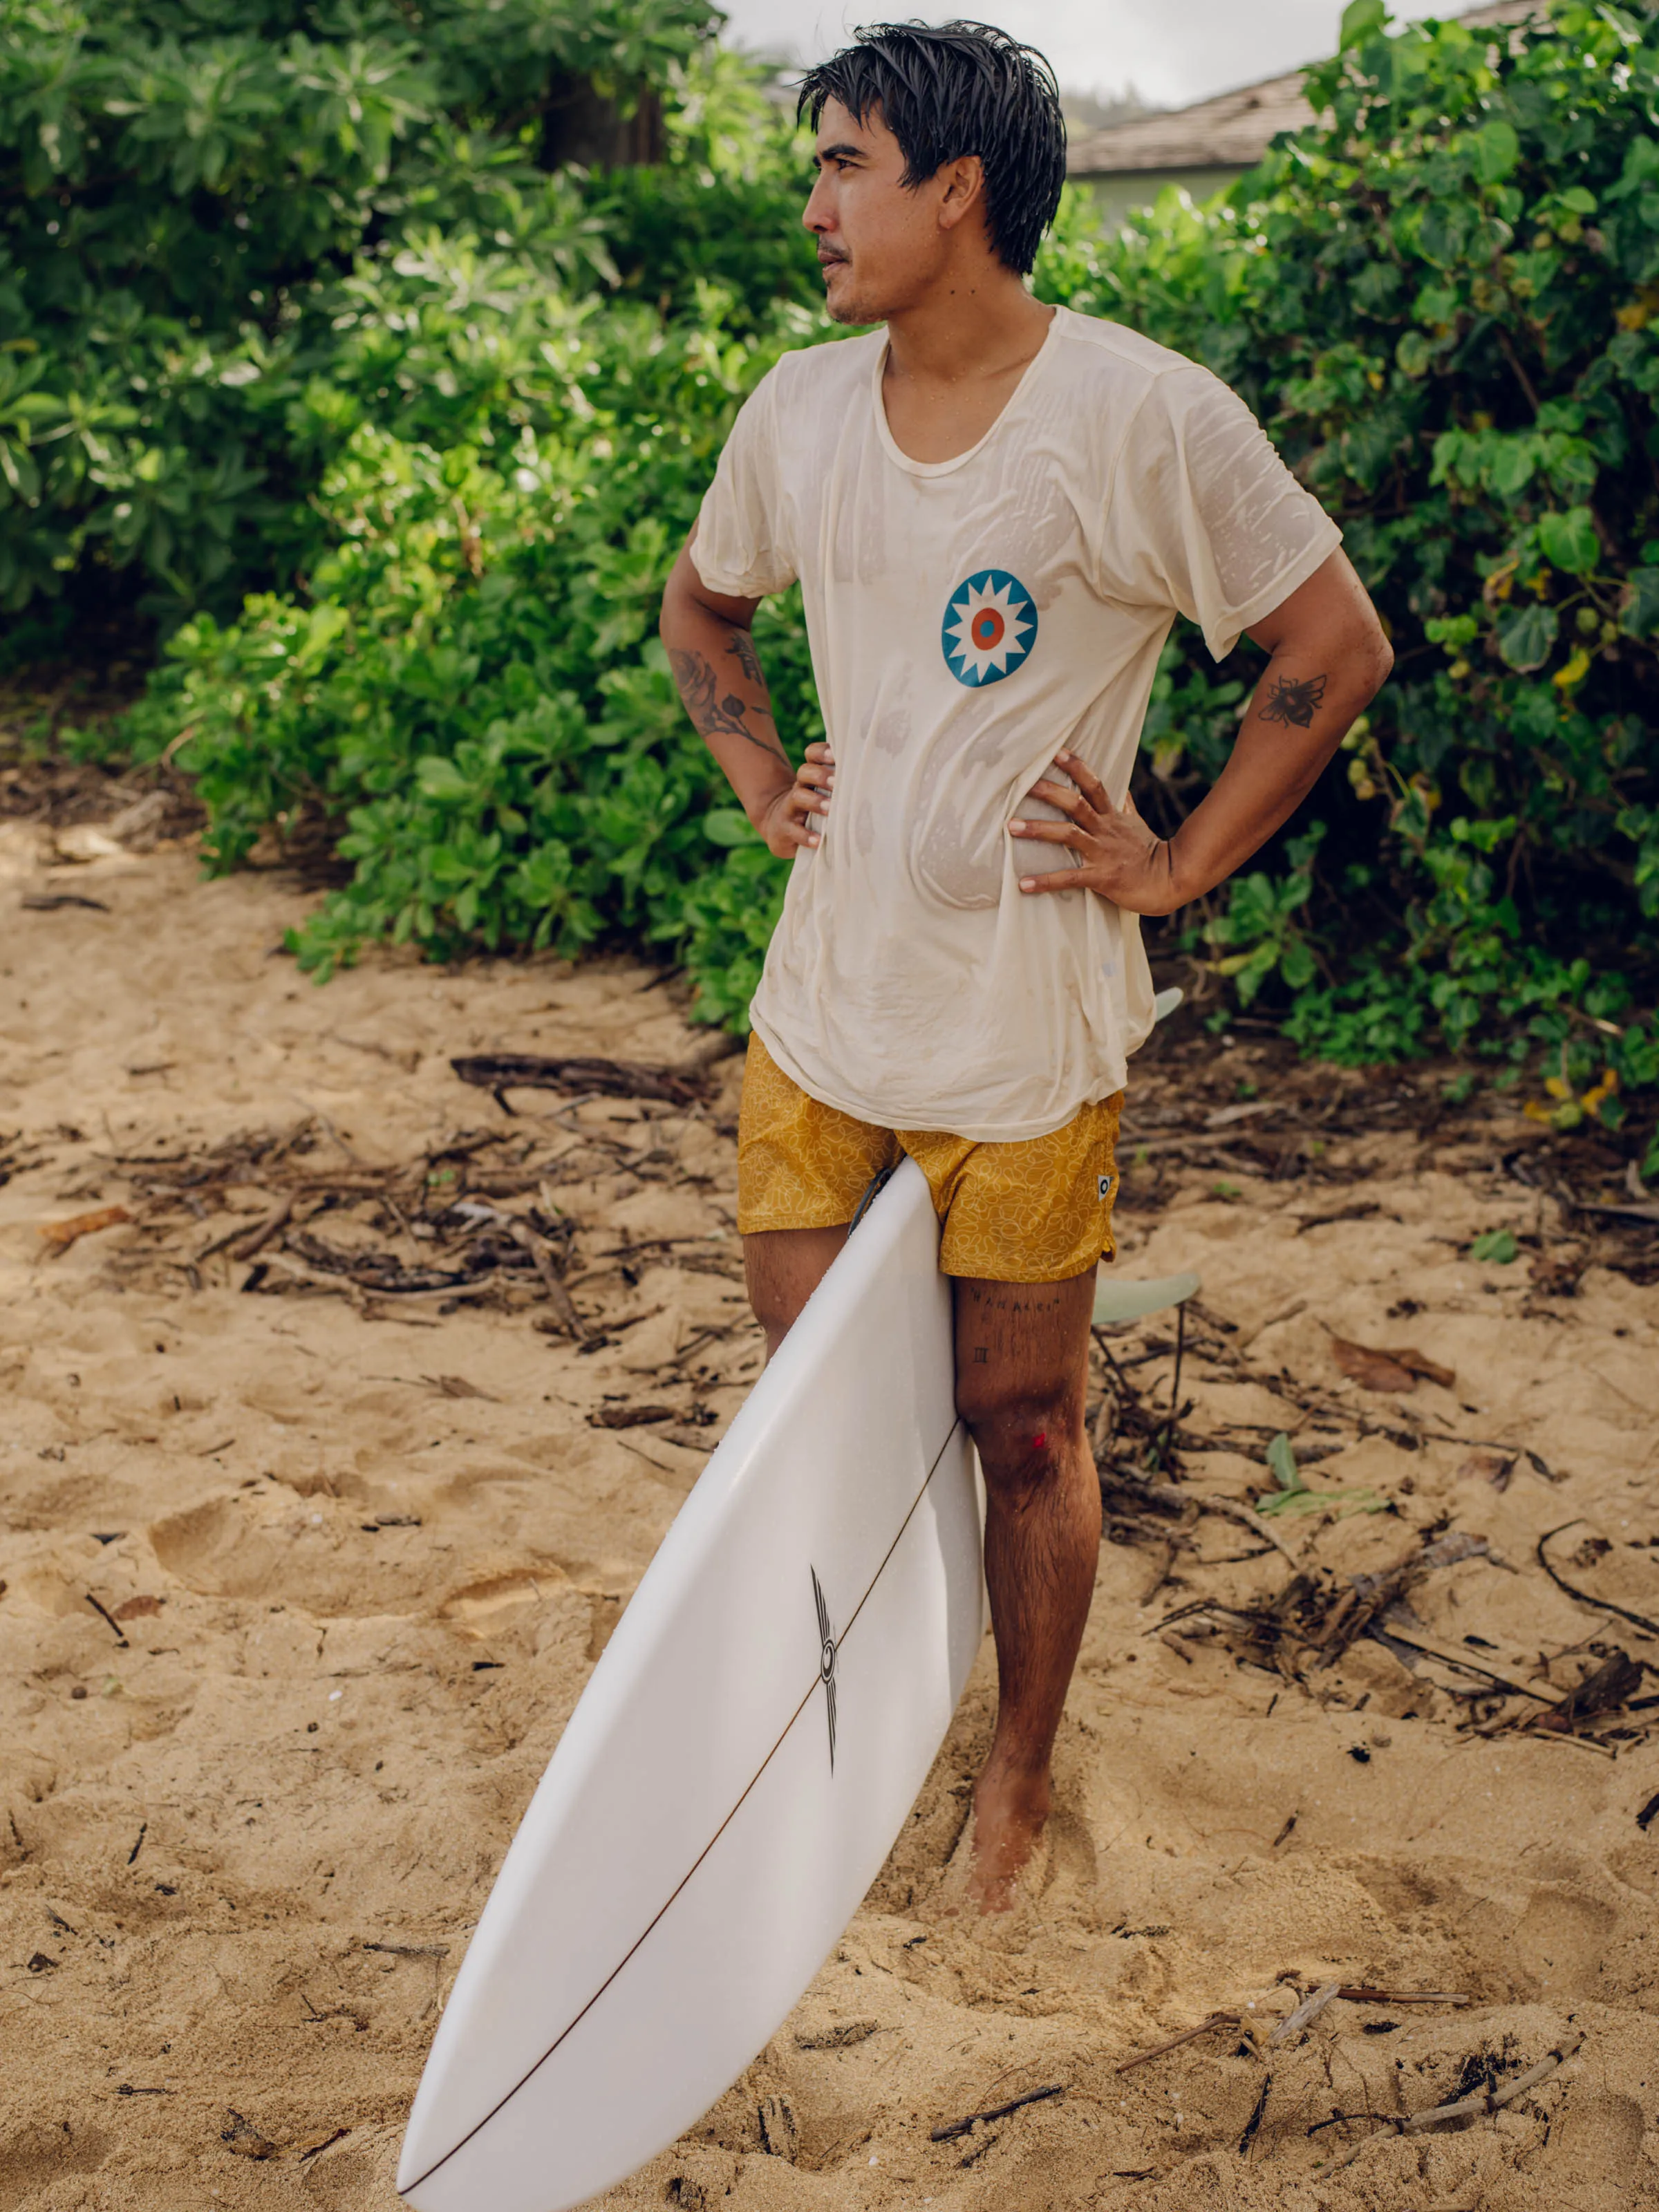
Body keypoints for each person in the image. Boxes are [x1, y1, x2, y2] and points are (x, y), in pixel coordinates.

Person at [657, 20, 1391, 1913]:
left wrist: (1178, 863)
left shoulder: (1140, 418)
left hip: (1023, 1037)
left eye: (843, 165)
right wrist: (760, 777)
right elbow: (702, 606)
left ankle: (1020, 1769)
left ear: (957, 187)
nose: (814, 204)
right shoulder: (797, 411)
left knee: (1026, 1424)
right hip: (822, 1016)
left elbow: (1331, 640)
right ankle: (834, 1731)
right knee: (818, 1409)